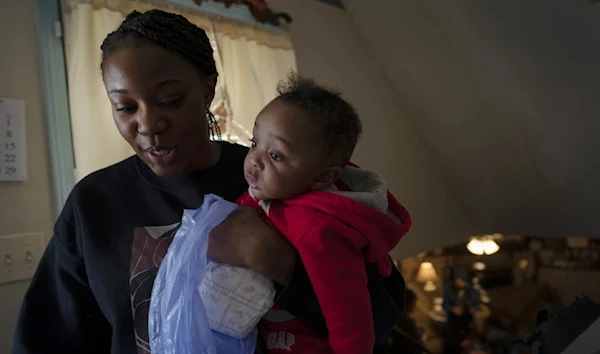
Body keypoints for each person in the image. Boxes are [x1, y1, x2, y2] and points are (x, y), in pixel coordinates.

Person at [11, 9, 406, 354]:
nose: (148, 125)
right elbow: (50, 339)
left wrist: (281, 264)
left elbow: (378, 318)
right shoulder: (94, 203)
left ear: (207, 87)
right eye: (126, 107)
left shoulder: (278, 177)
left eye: (170, 100)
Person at [232, 74, 411, 353]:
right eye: (254, 143)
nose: (254, 160)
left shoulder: (319, 231)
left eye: (276, 156)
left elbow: (350, 315)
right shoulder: (280, 190)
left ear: (322, 177)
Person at [442, 268, 481, 354]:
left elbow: (476, 304)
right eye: (459, 280)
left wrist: (472, 308)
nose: (461, 282)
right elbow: (445, 305)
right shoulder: (448, 290)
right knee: (452, 343)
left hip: (468, 321)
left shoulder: (470, 290)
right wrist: (453, 309)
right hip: (453, 322)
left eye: (463, 280)